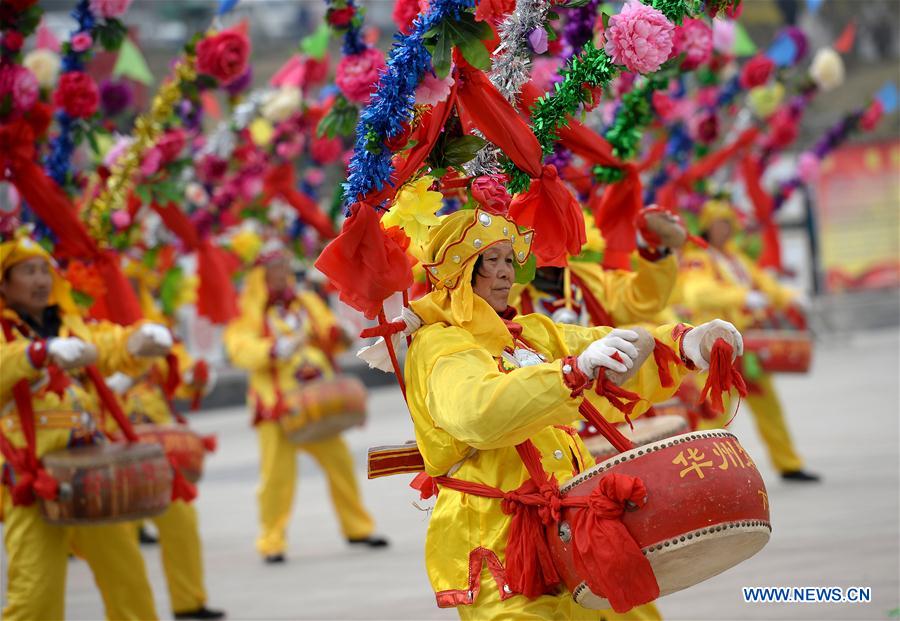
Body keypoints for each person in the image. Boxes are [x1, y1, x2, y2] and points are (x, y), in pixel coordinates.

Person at [399, 209, 743, 619]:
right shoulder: (440, 345)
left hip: (574, 517)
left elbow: (603, 345)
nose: (507, 273)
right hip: (498, 536)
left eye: (510, 260)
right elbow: (478, 411)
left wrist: (683, 345)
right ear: (459, 268)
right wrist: (570, 372)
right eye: (492, 260)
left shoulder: (529, 333)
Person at [0, 236, 170, 620]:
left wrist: (140, 338)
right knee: (34, 595)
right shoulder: (7, 332)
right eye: (28, 271)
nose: (41, 279)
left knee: (127, 581)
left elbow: (105, 343)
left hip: (91, 472)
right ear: (4, 283)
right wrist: (35, 353)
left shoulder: (66, 323)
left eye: (45, 270)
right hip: (34, 477)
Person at [224, 245, 387, 563]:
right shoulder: (249, 311)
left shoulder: (307, 302)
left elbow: (328, 333)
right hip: (277, 406)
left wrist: (338, 334)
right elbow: (238, 348)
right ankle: (272, 541)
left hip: (317, 400)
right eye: (275, 269)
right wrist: (272, 349)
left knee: (340, 464)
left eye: (285, 267)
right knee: (276, 477)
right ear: (261, 276)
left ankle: (358, 528)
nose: (283, 274)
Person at [677, 199, 819, 482]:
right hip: (717, 349)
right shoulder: (699, 258)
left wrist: (791, 297)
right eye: (719, 222)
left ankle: (788, 463)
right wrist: (742, 297)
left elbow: (767, 287)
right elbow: (697, 294)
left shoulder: (736, 259)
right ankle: (705, 473)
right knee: (714, 411)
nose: (725, 229)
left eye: (729, 222)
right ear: (706, 226)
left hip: (748, 349)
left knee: (769, 406)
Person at [105, 339, 225, 620]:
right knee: (118, 546)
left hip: (159, 446)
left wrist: (195, 377)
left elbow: (180, 376)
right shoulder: (89, 331)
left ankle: (188, 602)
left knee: (182, 522)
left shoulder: (153, 333)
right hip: (110, 450)